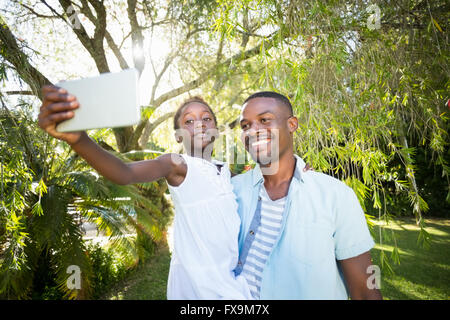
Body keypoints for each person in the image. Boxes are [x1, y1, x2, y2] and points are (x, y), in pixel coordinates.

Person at [38, 86, 253, 299]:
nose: (200, 124)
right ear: (178, 136)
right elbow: (125, 173)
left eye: (207, 118)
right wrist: (78, 139)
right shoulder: (177, 165)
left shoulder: (225, 171)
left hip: (230, 278)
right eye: (189, 121)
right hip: (199, 286)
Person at [231, 91, 383, 300]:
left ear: (292, 124)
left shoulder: (335, 196)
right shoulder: (232, 191)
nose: (253, 131)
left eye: (264, 120)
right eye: (245, 125)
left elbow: (365, 290)